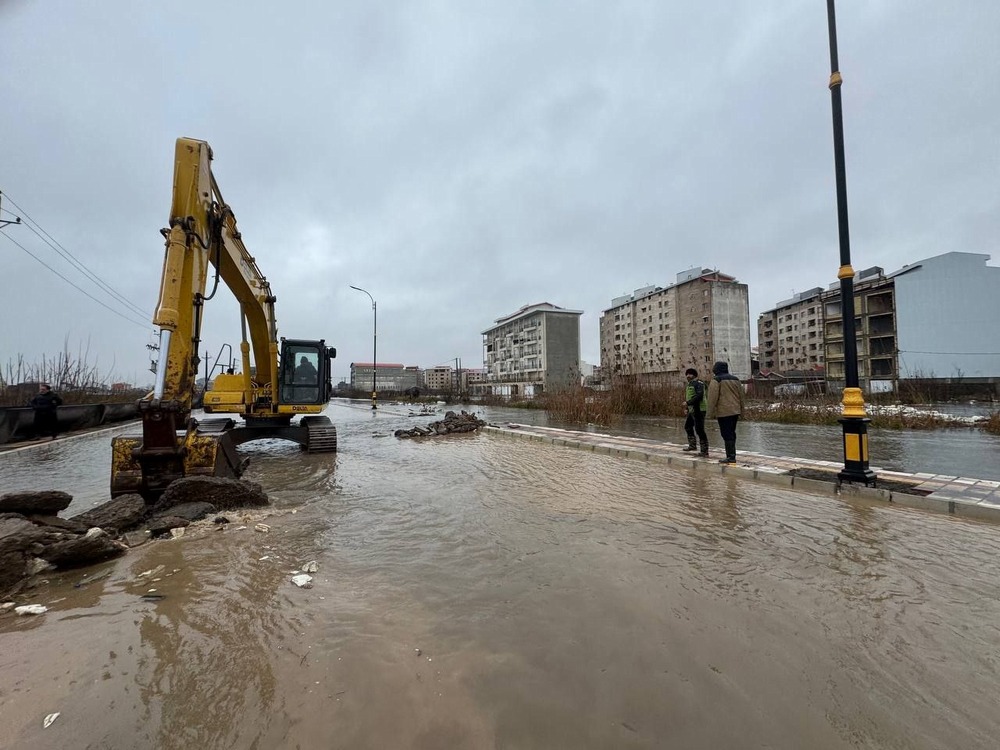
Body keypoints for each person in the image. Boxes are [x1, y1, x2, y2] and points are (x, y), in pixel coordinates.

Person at [706, 360, 744, 464]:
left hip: (724, 411)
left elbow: (712, 398)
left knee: (726, 434)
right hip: (735, 411)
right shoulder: (736, 379)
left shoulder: (716, 380)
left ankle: (731, 457)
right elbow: (742, 397)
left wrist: (709, 414)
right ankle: (732, 455)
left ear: (716, 369)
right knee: (731, 433)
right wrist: (742, 411)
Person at [682, 367, 709, 456]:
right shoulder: (689, 385)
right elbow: (689, 397)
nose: (688, 376)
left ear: (694, 375)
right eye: (687, 374)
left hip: (699, 409)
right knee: (688, 426)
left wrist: (688, 403)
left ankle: (704, 451)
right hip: (692, 409)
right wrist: (687, 408)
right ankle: (692, 445)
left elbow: (699, 396)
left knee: (699, 429)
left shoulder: (699, 384)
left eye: (690, 374)